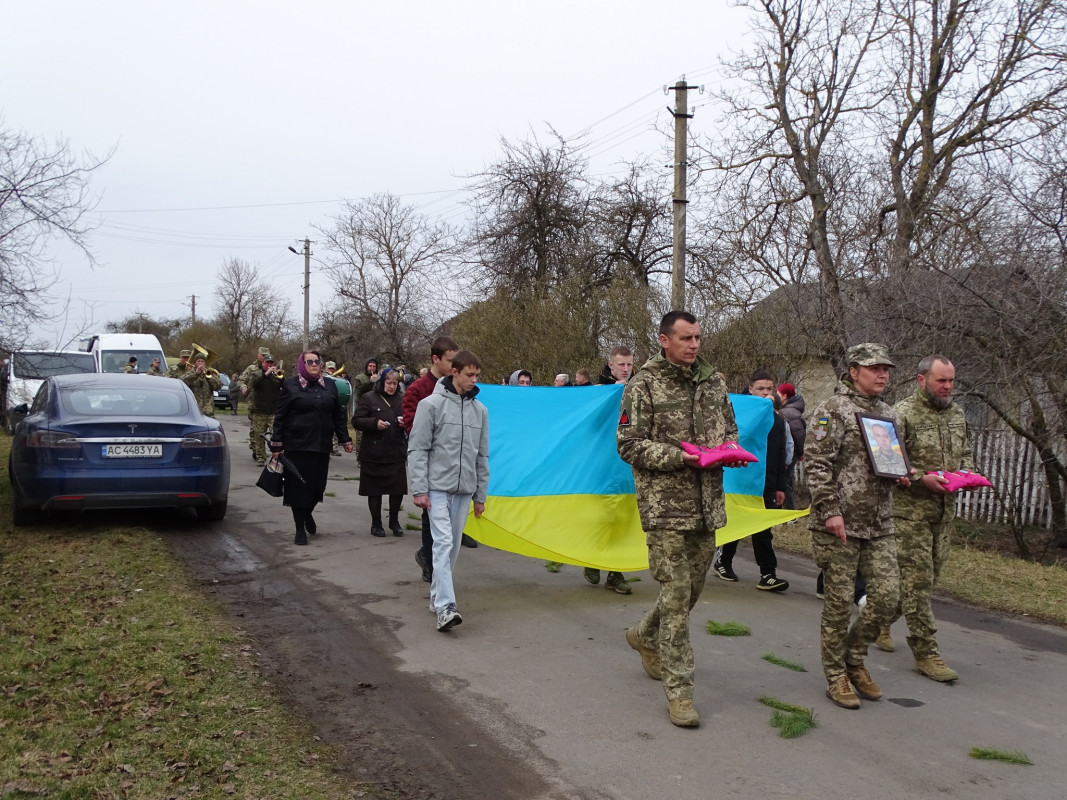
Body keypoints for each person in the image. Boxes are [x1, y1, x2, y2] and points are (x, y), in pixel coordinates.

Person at [618, 311, 745, 728]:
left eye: (698, 338)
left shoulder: (714, 382)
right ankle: (680, 691)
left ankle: (642, 634)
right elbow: (629, 444)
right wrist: (679, 458)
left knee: (689, 593)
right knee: (675, 599)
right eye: (686, 338)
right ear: (664, 340)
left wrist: (729, 449)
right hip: (665, 508)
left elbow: (729, 428)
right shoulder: (643, 385)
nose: (694, 345)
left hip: (707, 506)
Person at [805, 343, 909, 710]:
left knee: (888, 597)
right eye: (874, 368)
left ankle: (854, 656)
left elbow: (893, 461)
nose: (882, 374)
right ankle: (836, 675)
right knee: (837, 605)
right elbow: (816, 464)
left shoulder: (889, 414)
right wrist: (830, 510)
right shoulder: (831, 410)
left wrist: (904, 474)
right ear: (853, 371)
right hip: (839, 524)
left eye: (886, 368)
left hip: (879, 522)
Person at [883, 355, 974, 681]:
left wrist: (968, 474)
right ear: (922, 380)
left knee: (926, 580)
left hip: (943, 513)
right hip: (909, 513)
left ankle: (880, 620)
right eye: (941, 381)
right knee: (919, 585)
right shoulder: (901, 414)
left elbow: (965, 453)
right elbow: (888, 463)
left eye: (951, 381)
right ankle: (926, 652)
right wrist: (921, 477)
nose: (948, 387)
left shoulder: (958, 413)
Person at [408, 350, 489, 632]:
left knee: (452, 546)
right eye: (469, 374)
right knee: (442, 543)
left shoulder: (481, 410)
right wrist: (419, 489)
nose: (473, 380)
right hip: (437, 486)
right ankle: (446, 607)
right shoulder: (430, 405)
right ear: (453, 371)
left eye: (477, 375)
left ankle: (437, 599)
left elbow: (482, 456)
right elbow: (418, 448)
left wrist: (480, 495)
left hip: (464, 488)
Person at [713, 369, 791, 591]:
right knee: (736, 522)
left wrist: (780, 486)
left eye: (769, 389)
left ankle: (768, 574)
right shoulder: (739, 414)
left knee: (763, 527)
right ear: (750, 390)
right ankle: (723, 561)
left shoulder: (777, 420)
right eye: (760, 389)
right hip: (741, 481)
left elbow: (779, 455)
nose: (765, 394)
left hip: (766, 482)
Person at [271, 350, 354, 546]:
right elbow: (280, 416)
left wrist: (345, 439)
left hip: (321, 445)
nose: (314, 365)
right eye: (310, 362)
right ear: (302, 364)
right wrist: (277, 443)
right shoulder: (290, 385)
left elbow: (338, 416)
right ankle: (300, 528)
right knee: (298, 489)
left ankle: (307, 513)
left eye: (317, 361)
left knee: (318, 488)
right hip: (297, 446)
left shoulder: (331, 385)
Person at [402, 337, 460, 582]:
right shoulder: (418, 389)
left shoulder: (459, 387)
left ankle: (435, 558)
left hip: (453, 462)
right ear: (435, 359)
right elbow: (411, 426)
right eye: (449, 361)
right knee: (430, 514)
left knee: (452, 515)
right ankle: (429, 559)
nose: (454, 366)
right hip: (430, 462)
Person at [587, 345, 637, 594]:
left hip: (627, 464)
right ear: (611, 365)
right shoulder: (598, 391)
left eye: (629, 365)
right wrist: (609, 398)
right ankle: (592, 558)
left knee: (622, 518)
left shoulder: (638, 390)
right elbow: (590, 425)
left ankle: (616, 574)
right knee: (600, 515)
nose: (626, 370)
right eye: (621, 365)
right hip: (601, 464)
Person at [352, 367, 408, 538]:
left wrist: (405, 424)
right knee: (374, 490)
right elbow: (357, 421)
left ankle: (394, 520)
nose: (392, 386)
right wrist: (374, 423)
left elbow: (412, 419)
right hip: (373, 452)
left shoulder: (402, 398)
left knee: (397, 490)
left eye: (395, 383)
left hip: (395, 450)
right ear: (382, 382)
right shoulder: (369, 397)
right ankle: (376, 523)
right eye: (389, 383)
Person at [248, 354, 283, 466]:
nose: (270, 365)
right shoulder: (257, 374)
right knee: (259, 436)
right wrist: (266, 374)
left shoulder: (276, 376)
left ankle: (277, 456)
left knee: (276, 436)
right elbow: (255, 384)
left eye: (271, 363)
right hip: (259, 411)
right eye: (267, 362)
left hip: (273, 411)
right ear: (263, 363)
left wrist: (280, 377)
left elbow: (284, 386)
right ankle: (260, 458)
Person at [239, 347, 272, 461]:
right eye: (262, 354)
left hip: (268, 402)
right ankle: (256, 449)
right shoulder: (252, 368)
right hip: (254, 402)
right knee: (255, 429)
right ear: (258, 355)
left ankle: (259, 450)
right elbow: (241, 379)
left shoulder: (271, 367)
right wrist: (243, 387)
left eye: (266, 354)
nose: (263, 356)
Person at [777, 382, 806, 509]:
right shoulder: (789, 411)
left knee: (786, 483)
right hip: (791, 451)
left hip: (790, 452)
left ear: (784, 396)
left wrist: (800, 453)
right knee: (788, 481)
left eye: (778, 394)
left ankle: (790, 514)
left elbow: (799, 435)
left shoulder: (789, 413)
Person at [180, 353, 221, 417]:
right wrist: (196, 374)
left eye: (202, 361)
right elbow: (182, 381)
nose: (200, 363)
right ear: (194, 363)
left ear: (205, 363)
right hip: (193, 409)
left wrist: (209, 377)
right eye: (198, 361)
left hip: (208, 410)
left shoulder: (210, 373)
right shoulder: (190, 373)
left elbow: (218, 386)